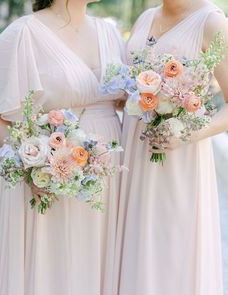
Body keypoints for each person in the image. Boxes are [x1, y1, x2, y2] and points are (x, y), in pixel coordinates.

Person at [0, 0, 124, 294]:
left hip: (106, 176)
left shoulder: (110, 32)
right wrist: (31, 163)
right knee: (54, 264)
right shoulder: (23, 33)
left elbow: (124, 100)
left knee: (99, 260)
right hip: (49, 174)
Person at [114, 0, 228, 294]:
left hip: (180, 156)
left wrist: (187, 135)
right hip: (135, 151)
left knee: (172, 244)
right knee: (135, 240)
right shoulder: (145, 17)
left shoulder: (212, 22)